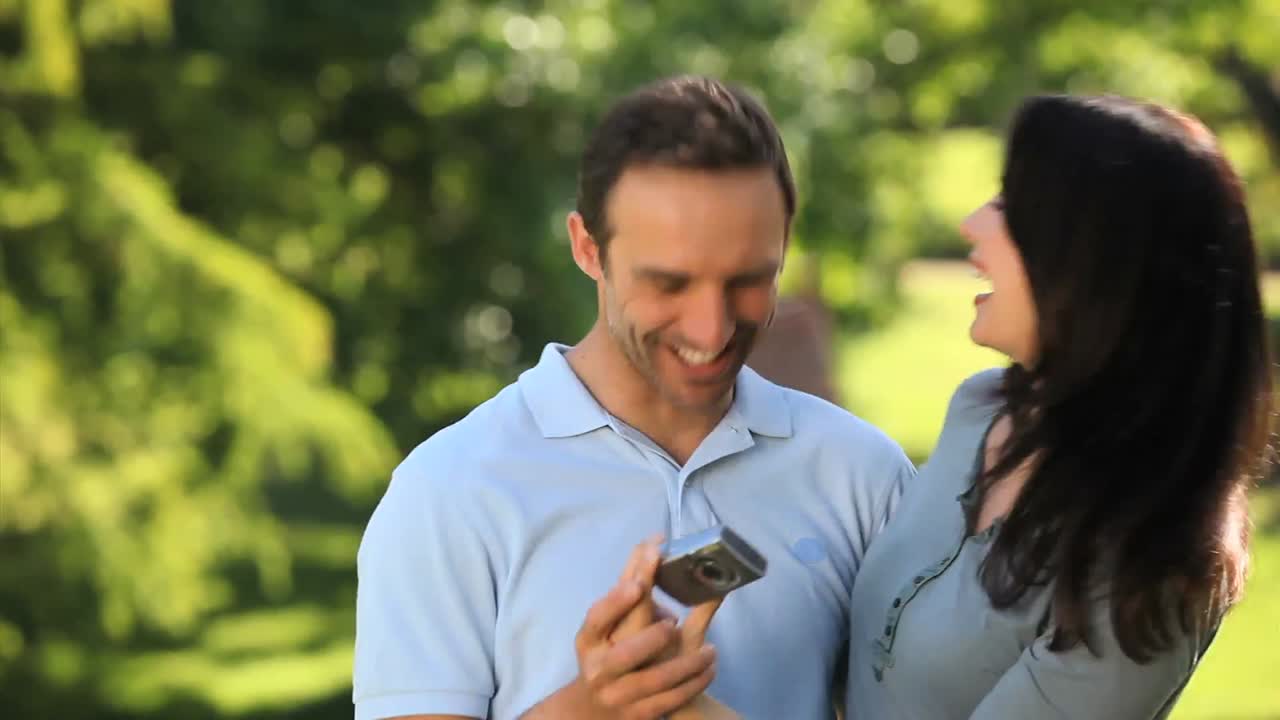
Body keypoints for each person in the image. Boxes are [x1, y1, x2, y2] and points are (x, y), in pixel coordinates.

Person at [351, 75, 914, 720]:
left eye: (750, 279)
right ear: (588, 248)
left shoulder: (864, 476)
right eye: (670, 283)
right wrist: (588, 709)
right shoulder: (449, 490)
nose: (712, 328)